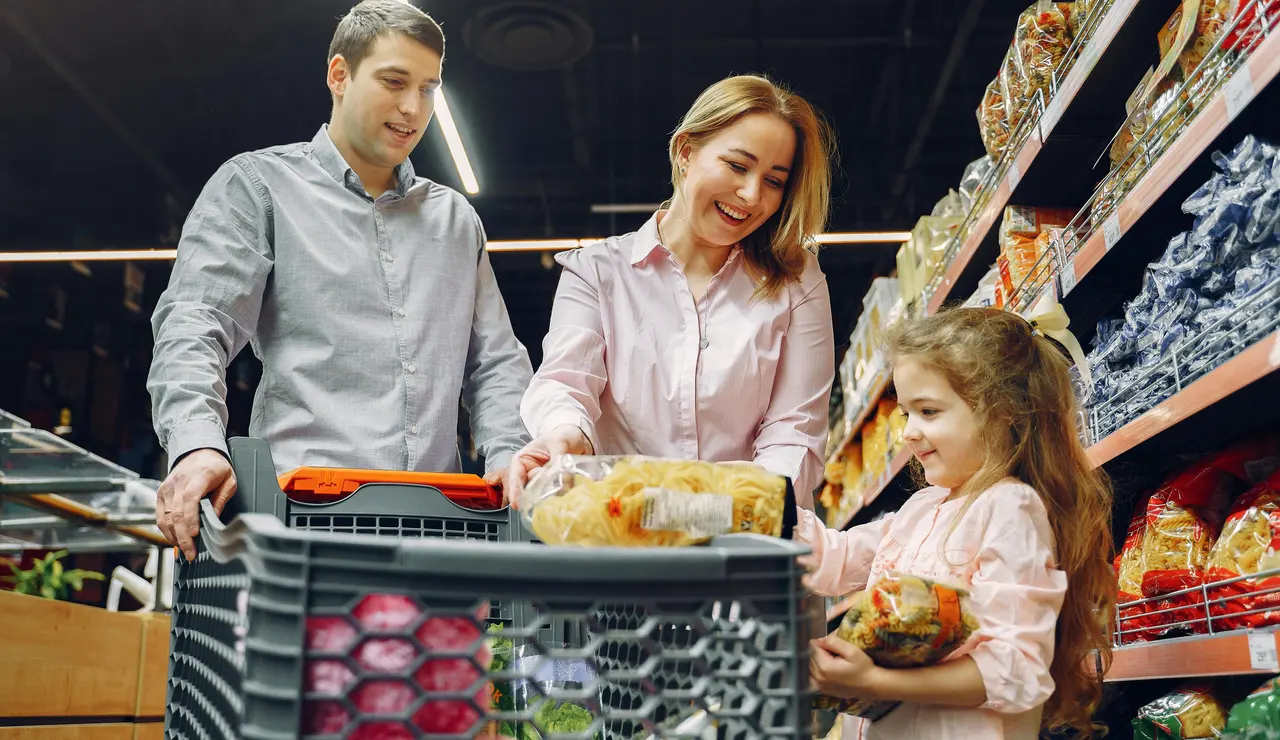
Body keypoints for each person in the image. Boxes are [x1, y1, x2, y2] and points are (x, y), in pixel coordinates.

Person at [147, 0, 532, 560]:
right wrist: (196, 445)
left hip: (437, 532)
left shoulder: (454, 221)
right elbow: (195, 323)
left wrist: (509, 456)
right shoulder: (258, 188)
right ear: (339, 75)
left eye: (428, 88)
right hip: (298, 528)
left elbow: (494, 362)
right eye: (394, 81)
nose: (412, 107)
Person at [506, 74, 836, 509]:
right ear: (685, 152)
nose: (752, 195)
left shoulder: (797, 281)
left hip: (748, 541)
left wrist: (722, 510)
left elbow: (795, 431)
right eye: (737, 165)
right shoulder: (598, 272)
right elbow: (566, 382)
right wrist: (566, 435)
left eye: (774, 181)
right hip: (623, 532)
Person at [799, 307, 1115, 739]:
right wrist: (748, 506)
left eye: (928, 411)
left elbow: (1015, 668)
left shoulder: (1009, 507)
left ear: (1003, 414)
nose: (908, 432)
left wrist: (875, 683)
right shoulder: (920, 510)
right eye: (906, 413)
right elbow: (835, 560)